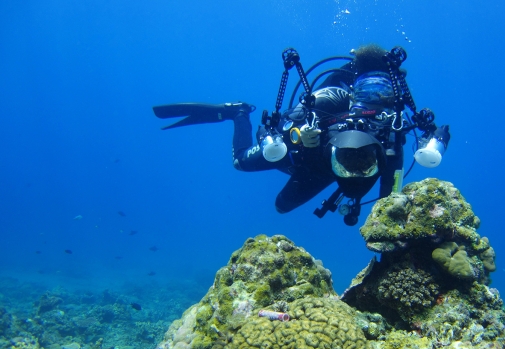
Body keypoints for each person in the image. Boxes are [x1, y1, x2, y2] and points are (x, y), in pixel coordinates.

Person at [153, 44, 450, 226]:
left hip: (326, 172)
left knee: (281, 208)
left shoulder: (392, 128)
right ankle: (238, 113)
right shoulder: (330, 99)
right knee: (241, 164)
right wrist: (300, 138)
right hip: (304, 160)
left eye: (383, 90)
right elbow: (285, 129)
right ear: (354, 88)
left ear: (394, 94)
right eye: (368, 88)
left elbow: (390, 198)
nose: (375, 98)